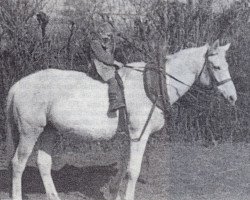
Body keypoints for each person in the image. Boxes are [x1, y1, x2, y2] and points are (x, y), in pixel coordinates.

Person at [90, 22, 125, 118]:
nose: (109, 37)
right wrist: (115, 62)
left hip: (105, 66)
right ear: (101, 33)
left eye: (110, 35)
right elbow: (103, 57)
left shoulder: (105, 42)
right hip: (98, 67)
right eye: (108, 35)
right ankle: (113, 103)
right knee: (112, 81)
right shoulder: (95, 43)